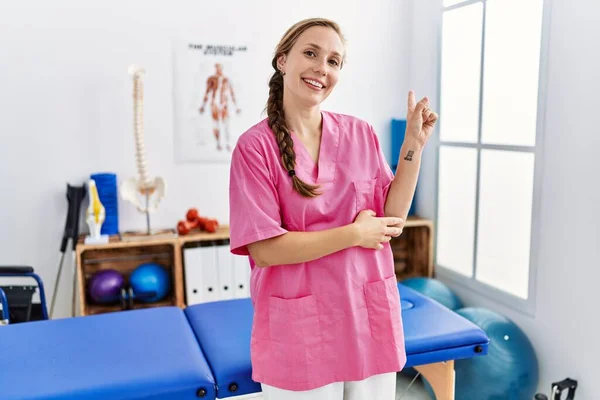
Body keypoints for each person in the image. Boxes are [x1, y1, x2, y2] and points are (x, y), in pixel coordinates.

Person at [228, 17, 438, 400]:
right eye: (311, 53)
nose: (321, 68)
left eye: (334, 61)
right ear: (282, 61)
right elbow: (265, 249)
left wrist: (414, 146)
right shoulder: (254, 148)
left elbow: (393, 218)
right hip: (300, 329)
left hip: (367, 317)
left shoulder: (360, 133)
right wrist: (355, 234)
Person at [199, 62, 241, 152]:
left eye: (220, 68)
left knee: (226, 124)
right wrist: (203, 105)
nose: (219, 70)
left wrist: (236, 106)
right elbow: (207, 92)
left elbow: (231, 93)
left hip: (224, 104)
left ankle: (227, 143)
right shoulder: (211, 79)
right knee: (216, 124)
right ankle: (218, 143)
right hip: (214, 104)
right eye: (217, 68)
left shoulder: (226, 79)